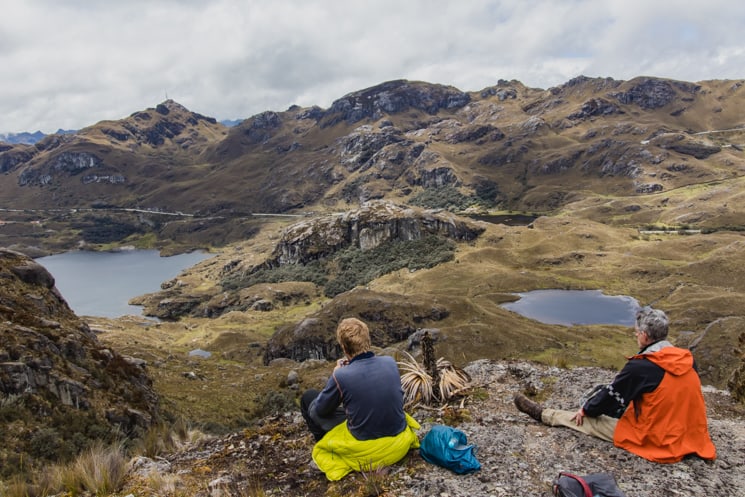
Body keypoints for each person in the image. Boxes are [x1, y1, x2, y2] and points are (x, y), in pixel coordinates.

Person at [514, 306, 716, 463]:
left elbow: (609, 399)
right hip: (691, 435)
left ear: (645, 336)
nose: (636, 336)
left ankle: (545, 415)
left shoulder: (641, 367)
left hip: (659, 440)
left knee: (585, 420)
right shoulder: (687, 359)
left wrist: (587, 409)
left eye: (636, 333)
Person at [300, 317, 420, 480]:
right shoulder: (390, 362)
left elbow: (320, 410)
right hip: (398, 438)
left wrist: (336, 374)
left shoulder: (341, 375)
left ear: (343, 347)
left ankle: (328, 445)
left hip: (365, 443)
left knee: (309, 400)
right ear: (368, 341)